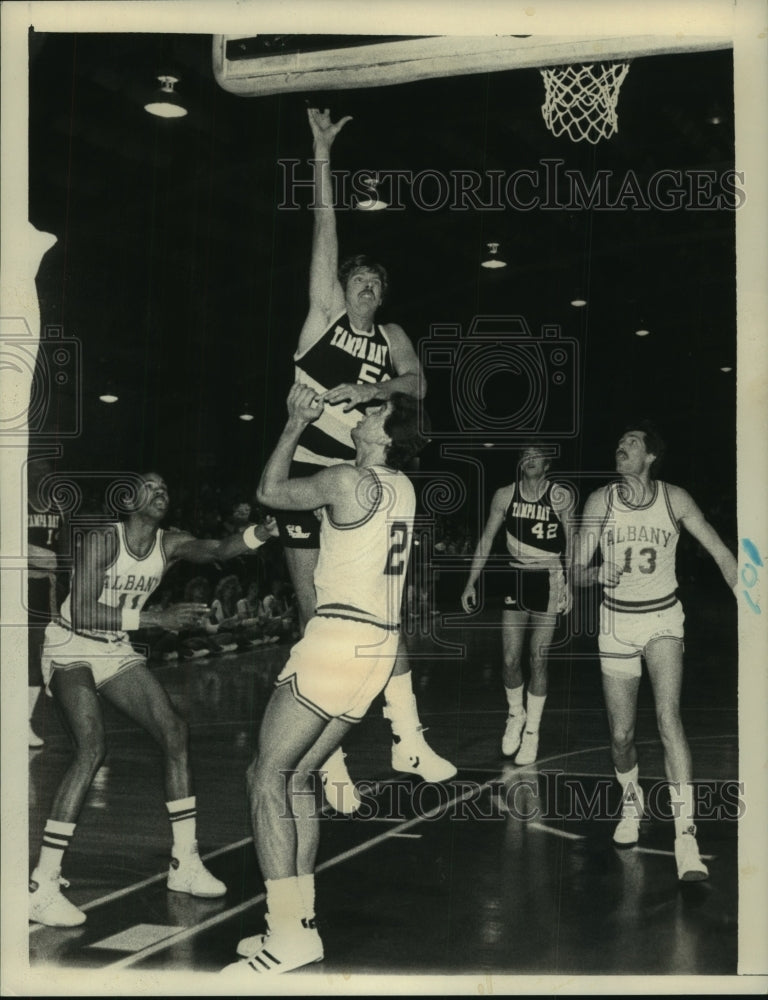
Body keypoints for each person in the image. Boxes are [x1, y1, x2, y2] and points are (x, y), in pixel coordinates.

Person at [270, 106, 455, 807]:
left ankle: (407, 732)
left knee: (378, 609)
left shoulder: (393, 337)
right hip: (308, 470)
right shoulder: (322, 320)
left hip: (363, 483)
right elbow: (325, 229)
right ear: (341, 290)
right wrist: (320, 154)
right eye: (359, 283)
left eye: (377, 285)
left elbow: (418, 383)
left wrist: (366, 384)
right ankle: (333, 757)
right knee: (312, 610)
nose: (367, 291)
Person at [220, 383, 428, 979]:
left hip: (338, 640)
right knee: (299, 775)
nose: (363, 414)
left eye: (375, 412)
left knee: (264, 777)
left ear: (385, 435)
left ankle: (286, 934)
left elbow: (268, 491)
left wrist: (292, 424)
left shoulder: (345, 479)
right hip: (379, 648)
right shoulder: (404, 488)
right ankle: (298, 922)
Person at [29, 472, 277, 928]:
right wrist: (158, 615)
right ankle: (42, 884)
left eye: (166, 487)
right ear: (129, 498)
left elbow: (220, 550)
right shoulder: (105, 540)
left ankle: (185, 863)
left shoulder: (171, 543)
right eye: (151, 486)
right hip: (72, 643)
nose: (161, 491)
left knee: (174, 731)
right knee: (91, 747)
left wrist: (261, 532)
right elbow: (82, 607)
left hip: (115, 647)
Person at [571, 422, 737, 881]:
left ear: (650, 457)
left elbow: (722, 553)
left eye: (632, 442)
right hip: (615, 623)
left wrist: (750, 596)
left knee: (668, 718)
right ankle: (632, 804)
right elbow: (575, 571)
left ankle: (686, 835)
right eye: (619, 440)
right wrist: (592, 575)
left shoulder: (675, 498)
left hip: (663, 618)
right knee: (621, 736)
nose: (621, 446)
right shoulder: (600, 502)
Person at [461, 446, 574, 765]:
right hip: (516, 576)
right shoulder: (505, 494)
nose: (530, 458)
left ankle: (532, 733)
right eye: (525, 454)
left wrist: (571, 586)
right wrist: (471, 581)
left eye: (537, 455)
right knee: (510, 659)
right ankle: (515, 716)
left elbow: (573, 541)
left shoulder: (560, 496)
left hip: (549, 577)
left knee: (538, 659)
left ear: (548, 464)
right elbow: (485, 539)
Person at [27, 457, 66, 748]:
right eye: (36, 471)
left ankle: (22, 722)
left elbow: (58, 557)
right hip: (14, 586)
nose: (42, 475)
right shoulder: (14, 504)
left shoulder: (58, 508)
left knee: (35, 656)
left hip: (43, 591)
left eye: (46, 471)